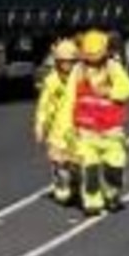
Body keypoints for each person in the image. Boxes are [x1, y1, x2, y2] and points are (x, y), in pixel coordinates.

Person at [73, 29, 129, 215]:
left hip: (111, 133)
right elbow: (69, 98)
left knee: (114, 169)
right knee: (89, 171)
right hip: (86, 133)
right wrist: (66, 127)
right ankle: (92, 203)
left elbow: (128, 88)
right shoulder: (79, 71)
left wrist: (109, 92)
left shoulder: (113, 68)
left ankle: (112, 194)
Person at [34, 38, 82, 205]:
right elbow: (44, 105)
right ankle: (61, 185)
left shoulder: (80, 79)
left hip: (77, 130)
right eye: (63, 62)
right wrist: (40, 124)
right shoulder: (51, 81)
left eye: (71, 62)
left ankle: (76, 183)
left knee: (78, 163)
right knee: (60, 163)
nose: (67, 66)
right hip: (57, 131)